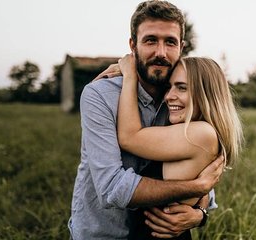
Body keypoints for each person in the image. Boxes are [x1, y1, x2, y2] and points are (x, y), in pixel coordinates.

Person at [69, 1, 225, 239]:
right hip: (103, 234)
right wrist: (196, 188)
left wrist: (200, 212)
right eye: (151, 40)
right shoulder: (100, 95)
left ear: (181, 47)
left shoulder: (181, 100)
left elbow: (201, 170)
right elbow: (111, 188)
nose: (160, 53)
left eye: (170, 42)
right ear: (133, 46)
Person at [116, 54, 243, 239]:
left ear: (206, 93)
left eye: (181, 88)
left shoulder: (201, 134)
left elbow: (129, 137)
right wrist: (200, 206)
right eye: (169, 87)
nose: (169, 96)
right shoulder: (196, 132)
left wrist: (129, 76)